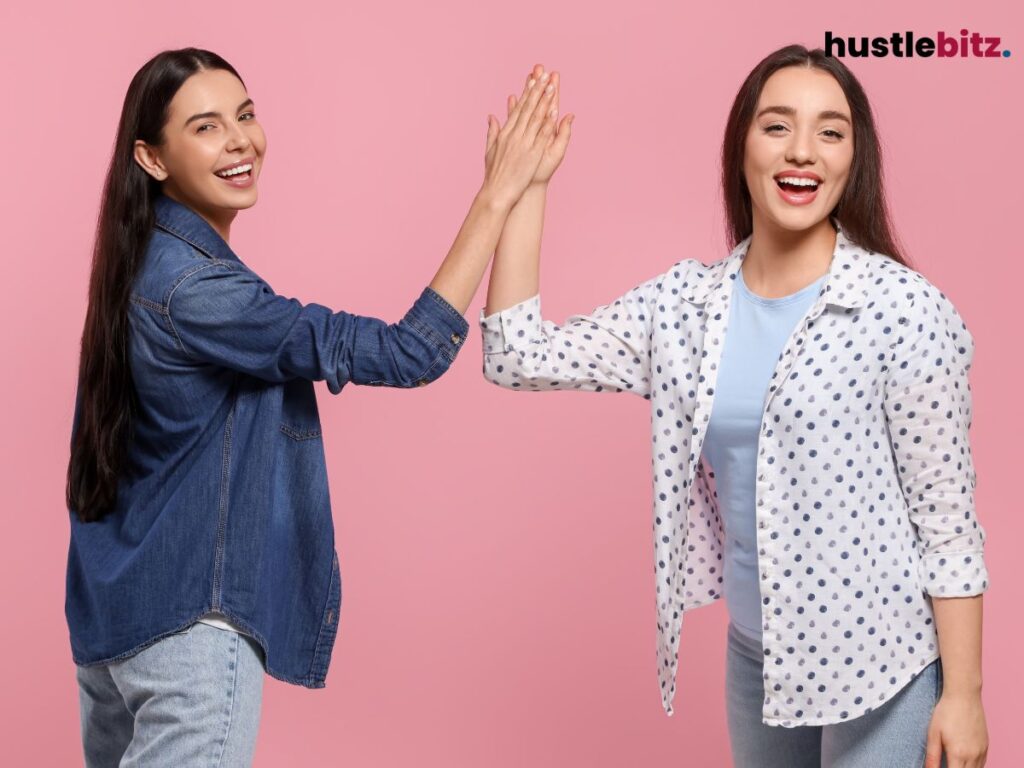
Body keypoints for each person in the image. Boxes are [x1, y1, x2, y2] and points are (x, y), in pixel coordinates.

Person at [480, 46, 989, 767]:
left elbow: (946, 521)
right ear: (742, 144)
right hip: (756, 659)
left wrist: (962, 695)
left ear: (855, 157)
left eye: (831, 132)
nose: (803, 152)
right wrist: (526, 188)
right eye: (778, 126)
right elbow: (517, 356)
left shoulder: (901, 310)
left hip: (882, 661)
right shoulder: (685, 308)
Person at [65, 48, 560, 766]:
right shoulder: (200, 292)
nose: (240, 140)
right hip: (187, 647)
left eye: (245, 114)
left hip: (114, 635)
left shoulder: (140, 268)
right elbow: (408, 352)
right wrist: (497, 194)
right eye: (206, 127)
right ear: (152, 158)